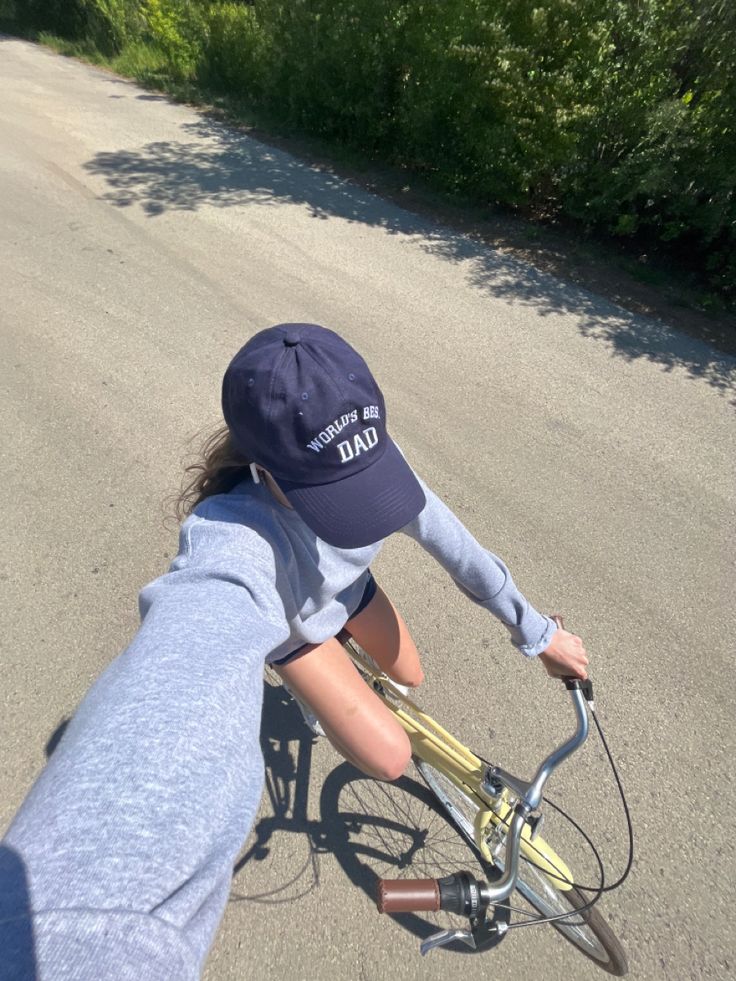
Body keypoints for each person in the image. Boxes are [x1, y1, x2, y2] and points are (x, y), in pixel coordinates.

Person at [0, 323, 588, 980]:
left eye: (364, 483)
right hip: (294, 627)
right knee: (391, 755)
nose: (369, 501)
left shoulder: (364, 451)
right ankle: (314, 675)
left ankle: (350, 674)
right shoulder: (232, 532)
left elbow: (459, 548)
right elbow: (181, 660)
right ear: (262, 471)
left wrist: (539, 634)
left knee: (412, 674)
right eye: (337, 496)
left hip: (347, 590)